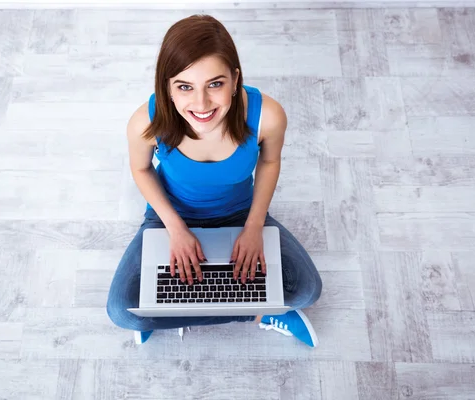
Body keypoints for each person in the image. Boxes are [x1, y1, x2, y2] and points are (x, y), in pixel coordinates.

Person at [106, 14, 323, 346]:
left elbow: (269, 161)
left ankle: (168, 312)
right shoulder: (145, 122)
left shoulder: (268, 116)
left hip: (239, 212)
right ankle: (257, 312)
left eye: (215, 84)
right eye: (184, 87)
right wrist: (176, 230)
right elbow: (141, 169)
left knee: (307, 290)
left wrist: (254, 226)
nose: (202, 104)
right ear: (167, 87)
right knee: (122, 312)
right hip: (169, 217)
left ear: (235, 80)